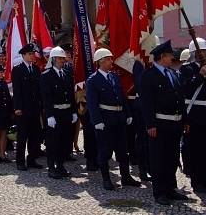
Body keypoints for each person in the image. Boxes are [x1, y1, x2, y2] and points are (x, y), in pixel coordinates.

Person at [140, 40, 188, 205]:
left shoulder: (173, 74)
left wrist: (184, 120)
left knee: (172, 157)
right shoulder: (149, 75)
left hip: (175, 124)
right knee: (158, 159)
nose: (172, 58)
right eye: (169, 56)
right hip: (159, 124)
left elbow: (180, 99)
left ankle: (170, 188)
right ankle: (159, 192)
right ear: (162, 56)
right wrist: (150, 124)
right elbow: (147, 103)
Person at [86, 48, 141, 190]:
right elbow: (92, 103)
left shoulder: (114, 77)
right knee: (105, 151)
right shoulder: (93, 80)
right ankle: (106, 179)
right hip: (105, 119)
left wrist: (128, 114)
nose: (112, 61)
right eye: (109, 59)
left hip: (119, 118)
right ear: (101, 61)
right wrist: (97, 121)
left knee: (123, 150)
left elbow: (122, 97)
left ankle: (126, 177)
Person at [179, 38, 206, 193]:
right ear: (193, 53)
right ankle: (197, 182)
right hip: (194, 114)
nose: (202, 54)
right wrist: (200, 75)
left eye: (204, 51)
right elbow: (185, 90)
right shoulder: (186, 69)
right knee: (195, 150)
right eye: (199, 51)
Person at [40, 47, 77, 179]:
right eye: (60, 58)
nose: (62, 61)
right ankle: (51, 167)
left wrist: (74, 111)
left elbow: (71, 95)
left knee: (64, 141)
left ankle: (60, 166)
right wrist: (49, 115)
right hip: (54, 113)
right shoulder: (46, 75)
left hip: (66, 112)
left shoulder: (67, 74)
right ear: (54, 59)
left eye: (63, 58)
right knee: (52, 142)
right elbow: (46, 97)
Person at [12, 43, 44, 171]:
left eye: (33, 54)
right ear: (23, 55)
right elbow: (17, 90)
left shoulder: (36, 69)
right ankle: (20, 161)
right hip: (23, 109)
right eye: (30, 54)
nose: (32, 56)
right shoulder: (18, 69)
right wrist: (17, 107)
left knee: (34, 136)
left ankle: (32, 160)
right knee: (22, 136)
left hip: (35, 108)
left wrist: (42, 105)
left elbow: (38, 90)